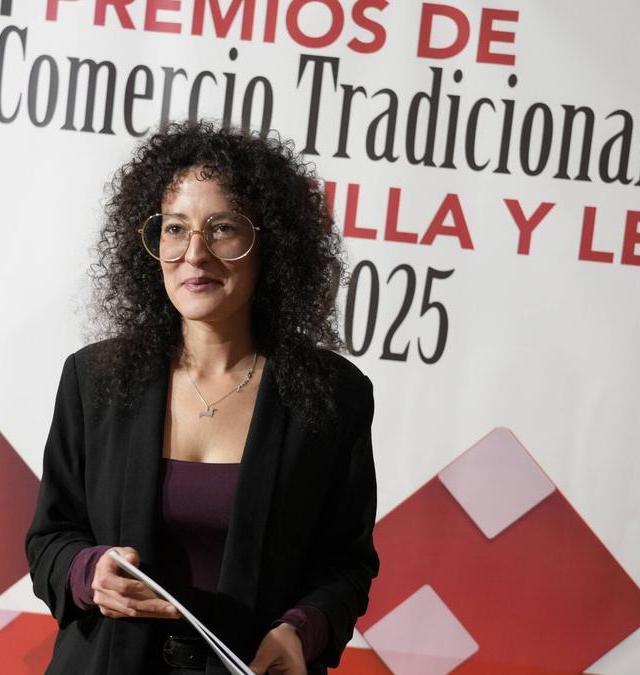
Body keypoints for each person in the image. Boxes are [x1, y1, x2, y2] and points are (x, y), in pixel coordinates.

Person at [25, 121, 377, 675]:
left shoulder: (333, 396)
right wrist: (88, 572)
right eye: (174, 228)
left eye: (223, 229)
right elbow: (50, 537)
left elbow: (345, 567)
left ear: (270, 244)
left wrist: (301, 630)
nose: (195, 253)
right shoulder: (93, 379)